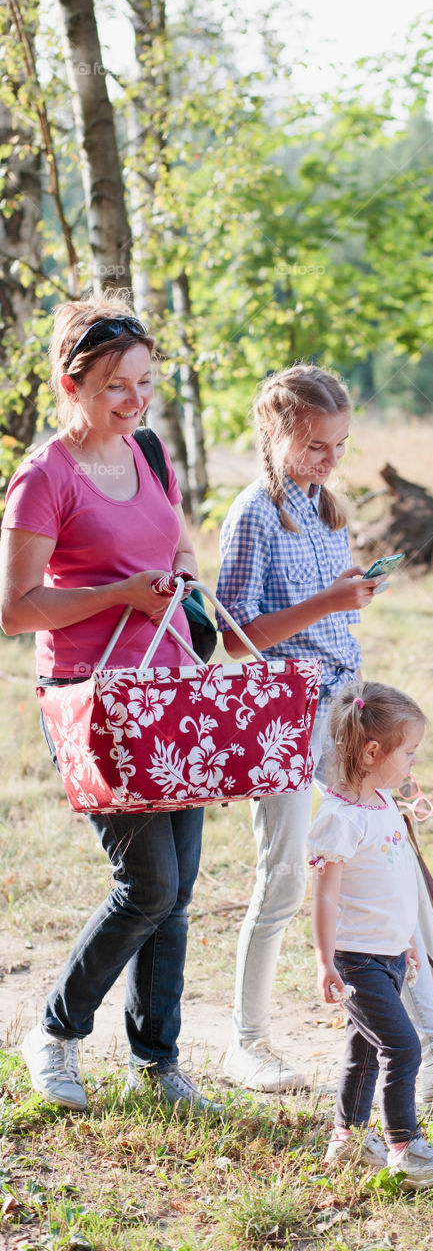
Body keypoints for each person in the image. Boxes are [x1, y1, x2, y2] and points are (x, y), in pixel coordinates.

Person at [217, 364, 433, 1099]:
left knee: (390, 868)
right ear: (275, 430)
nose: (330, 460)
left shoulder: (327, 509)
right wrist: (327, 601)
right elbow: (234, 638)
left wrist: (350, 593)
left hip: (346, 713)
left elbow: (330, 618)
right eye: (316, 446)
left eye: (340, 445)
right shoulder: (254, 513)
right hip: (283, 717)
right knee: (286, 878)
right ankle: (247, 1042)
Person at [0, 299, 220, 1112]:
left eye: (145, 383)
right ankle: (54, 1034)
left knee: (179, 886)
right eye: (116, 387)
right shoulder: (44, 476)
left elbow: (178, 545)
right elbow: (16, 608)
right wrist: (120, 596)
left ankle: (156, 1063)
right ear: (72, 384)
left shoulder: (150, 453)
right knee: (147, 884)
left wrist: (183, 581)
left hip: (169, 694)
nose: (136, 400)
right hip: (93, 704)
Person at [311, 681, 433, 1190]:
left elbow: (392, 882)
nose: (414, 764)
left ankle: (349, 1141)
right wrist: (324, 960)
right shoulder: (340, 817)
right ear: (374, 751)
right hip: (355, 960)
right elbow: (326, 896)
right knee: (402, 1048)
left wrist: (406, 939)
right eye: (411, 753)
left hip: (388, 955)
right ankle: (406, 1146)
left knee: (363, 1049)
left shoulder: (382, 803)